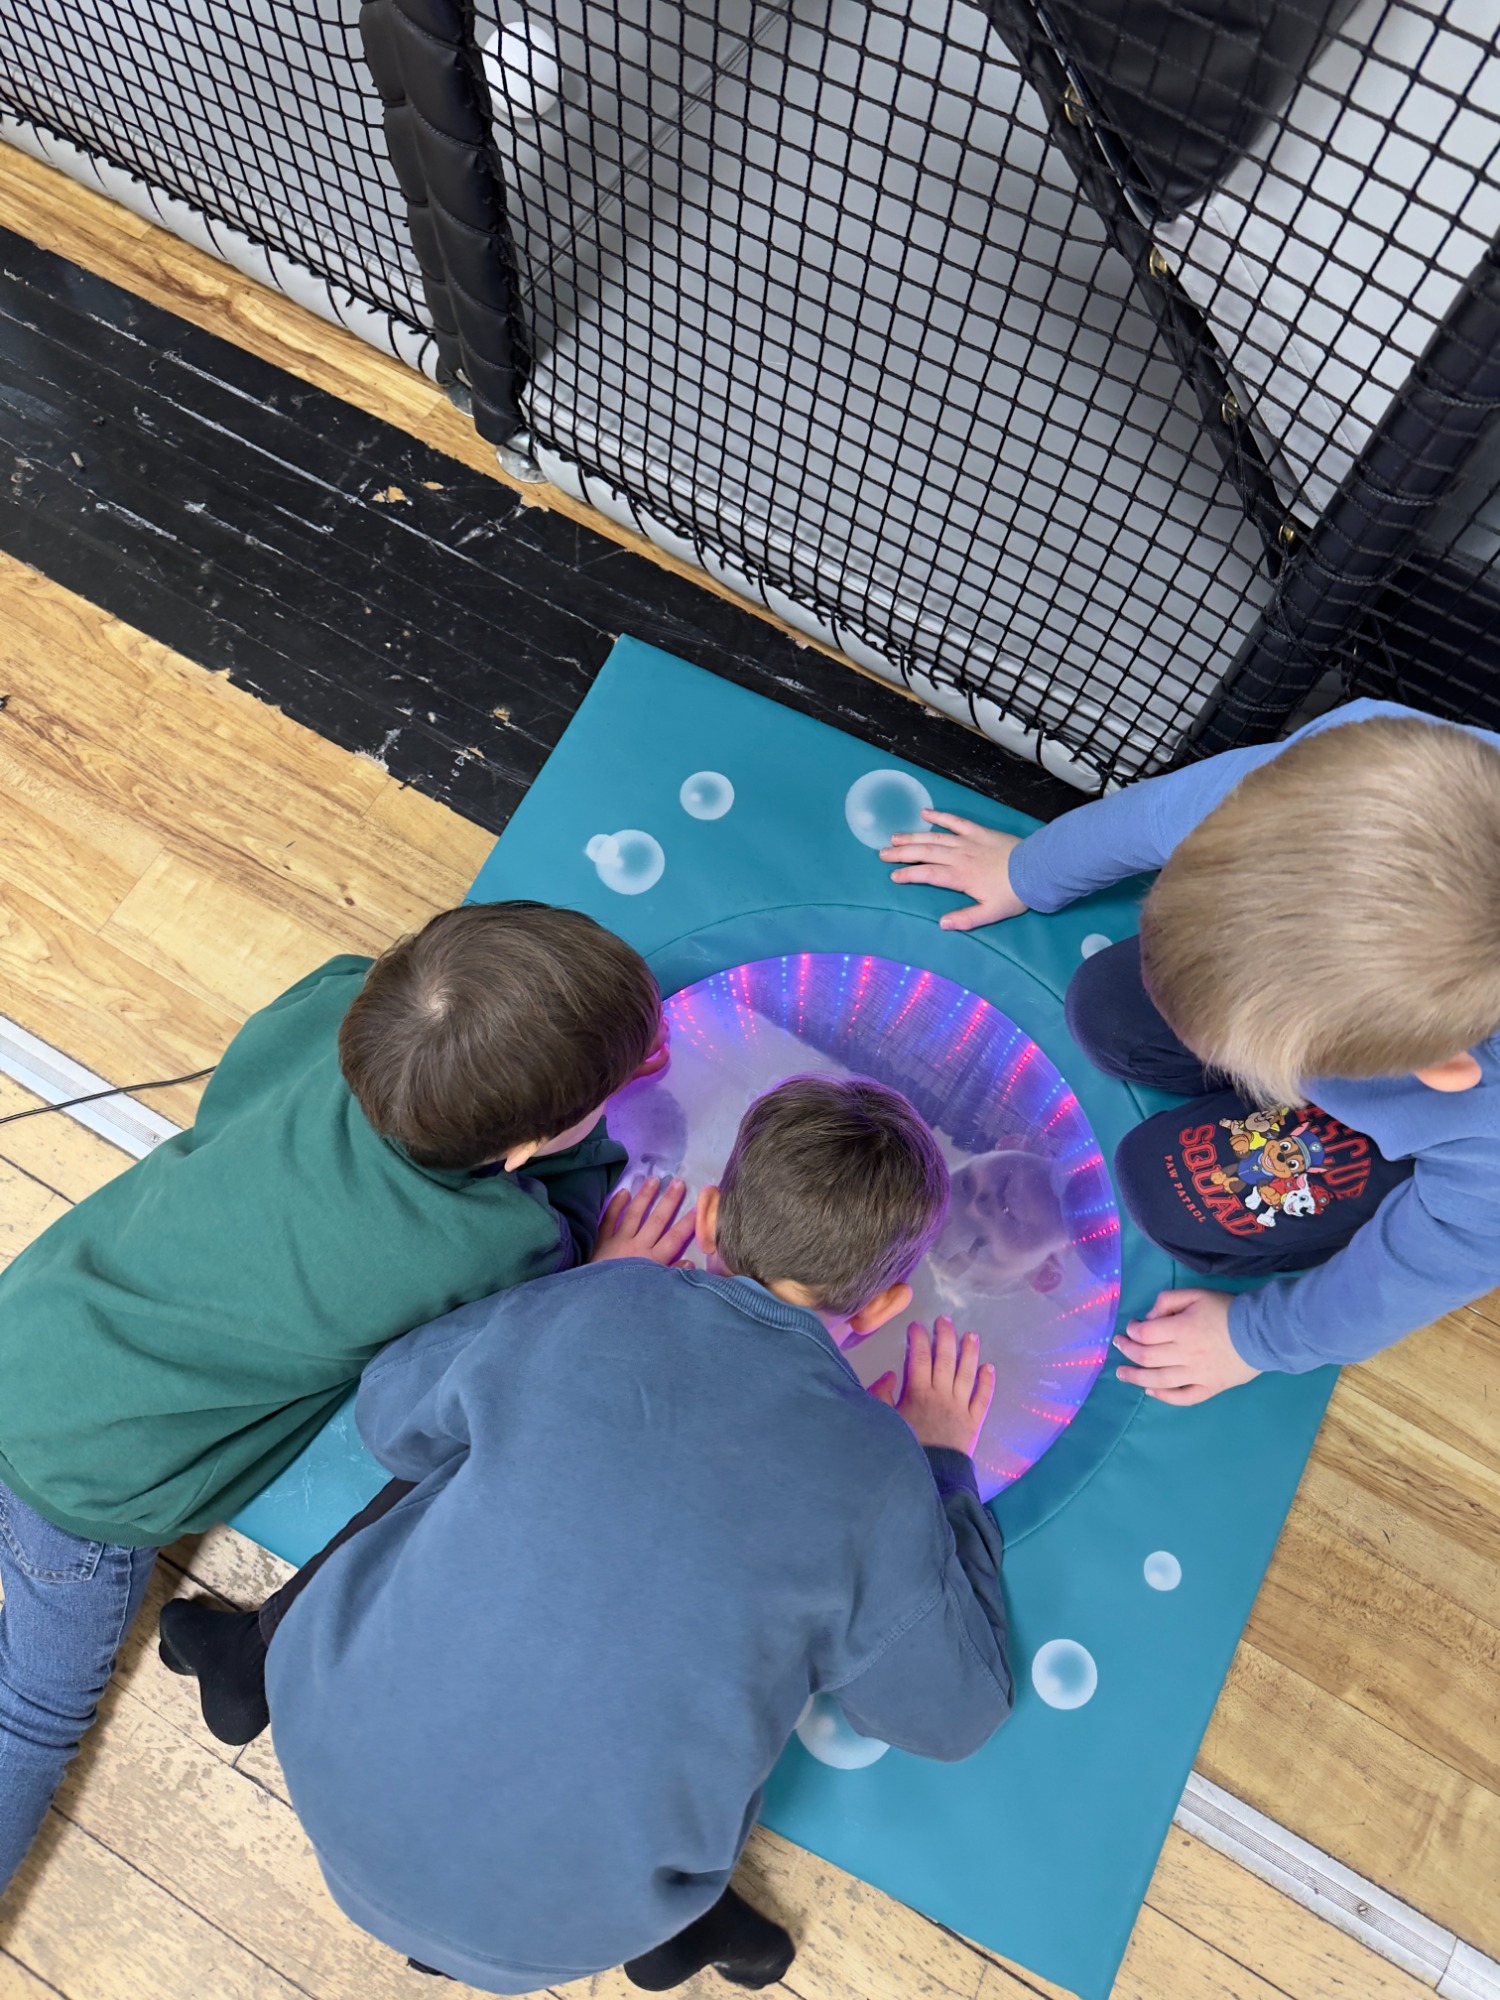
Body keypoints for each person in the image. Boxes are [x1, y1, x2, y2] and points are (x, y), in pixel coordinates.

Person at [159, 1075, 1012, 1992]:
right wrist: (941, 1467)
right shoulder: (881, 1471)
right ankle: (671, 1930)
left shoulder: (595, 1304)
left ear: (710, 1218)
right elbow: (952, 1715)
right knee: (733, 1662)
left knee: (468, 1461)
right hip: (585, 1922)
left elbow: (390, 1417)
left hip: (329, 1766)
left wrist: (588, 1290)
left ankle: (255, 1656)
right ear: (883, 1308)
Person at [0, 900, 664, 1892]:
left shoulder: (335, 999)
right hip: (91, 1490)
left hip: (28, 1329)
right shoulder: (491, 1237)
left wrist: (565, 1088)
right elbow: (556, 1250)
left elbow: (249, 1087)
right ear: (522, 1152)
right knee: (31, 1712)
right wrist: (597, 1224)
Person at [882, 699, 1500, 1403]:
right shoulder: (1336, 782)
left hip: (1441, 1136)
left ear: (1435, 1069)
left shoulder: (1485, 1137)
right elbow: (1158, 816)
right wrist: (1029, 871)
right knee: (1106, 1007)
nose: (987, 1211)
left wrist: (1257, 1339)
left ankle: (1354, 1138)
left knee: (1165, 1193)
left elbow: (1433, 1260)